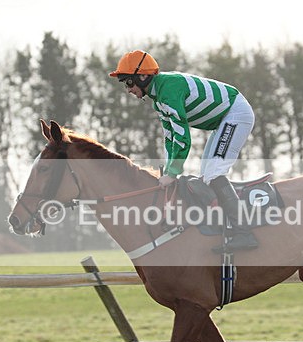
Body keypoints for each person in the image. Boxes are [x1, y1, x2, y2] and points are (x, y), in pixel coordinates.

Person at [109, 50, 258, 252]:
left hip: (235, 113)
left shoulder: (168, 92)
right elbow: (169, 137)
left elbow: (182, 137)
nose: (128, 89)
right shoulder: (157, 97)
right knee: (206, 176)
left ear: (143, 77)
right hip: (224, 119)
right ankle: (227, 226)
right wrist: (168, 169)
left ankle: (244, 233)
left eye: (128, 82)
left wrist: (172, 173)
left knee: (214, 172)